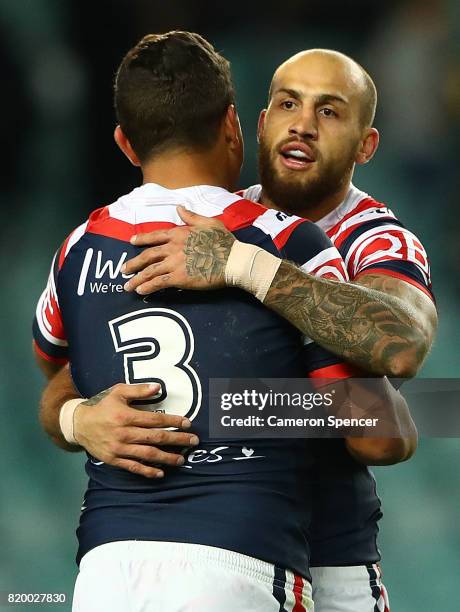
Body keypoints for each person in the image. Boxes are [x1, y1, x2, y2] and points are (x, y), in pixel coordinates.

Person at [33, 32, 415, 611]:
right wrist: (78, 415)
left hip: (117, 565)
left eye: (329, 111)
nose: (303, 125)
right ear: (244, 125)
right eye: (289, 104)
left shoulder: (81, 245)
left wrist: (244, 281)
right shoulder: (283, 236)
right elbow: (383, 431)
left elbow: (404, 346)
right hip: (248, 555)